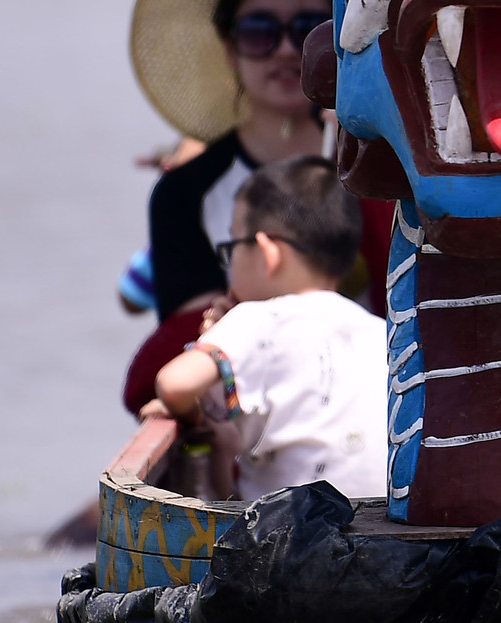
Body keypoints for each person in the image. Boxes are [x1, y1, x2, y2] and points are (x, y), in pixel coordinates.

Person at [125, 0, 393, 408]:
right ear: (229, 49)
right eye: (259, 32)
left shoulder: (378, 166)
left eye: (308, 28)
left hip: (368, 408)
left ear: (338, 36)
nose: (286, 51)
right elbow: (188, 333)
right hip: (246, 424)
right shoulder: (184, 192)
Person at [143, 157, 386, 500]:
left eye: (232, 247)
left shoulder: (259, 320)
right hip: (382, 535)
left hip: (297, 540)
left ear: (267, 253)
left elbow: (175, 382)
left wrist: (194, 417)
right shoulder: (382, 333)